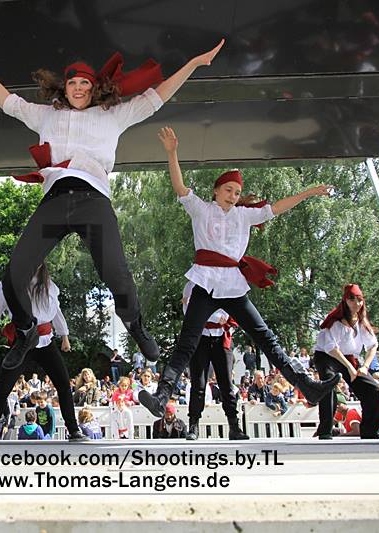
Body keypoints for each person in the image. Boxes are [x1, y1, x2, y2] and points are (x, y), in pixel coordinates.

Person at [0, 39, 227, 372]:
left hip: (92, 200)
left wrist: (193, 64)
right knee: (13, 277)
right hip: (55, 200)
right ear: (64, 88)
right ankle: (25, 331)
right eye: (72, 83)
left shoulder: (112, 116)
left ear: (94, 89)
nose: (78, 88)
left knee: (116, 274)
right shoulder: (46, 116)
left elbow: (157, 97)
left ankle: (135, 324)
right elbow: (8, 102)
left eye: (84, 83)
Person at [140, 127, 338, 418]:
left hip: (233, 286)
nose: (233, 196)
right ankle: (162, 396)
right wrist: (172, 153)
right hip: (205, 282)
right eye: (228, 190)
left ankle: (306, 385)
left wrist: (309, 192)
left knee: (265, 337)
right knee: (187, 342)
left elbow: (277, 207)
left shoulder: (245, 215)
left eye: (237, 192)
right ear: (216, 190)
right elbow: (180, 187)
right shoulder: (201, 210)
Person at [0, 263, 87, 443]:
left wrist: (64, 335)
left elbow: (56, 311)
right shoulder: (10, 284)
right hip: (23, 341)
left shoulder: (49, 284)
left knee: (63, 384)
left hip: (46, 341)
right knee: (3, 387)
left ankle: (74, 430)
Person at [313, 284, 379, 440]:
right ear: (345, 301)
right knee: (329, 385)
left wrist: (365, 366)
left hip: (350, 358)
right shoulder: (335, 322)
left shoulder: (362, 323)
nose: (356, 303)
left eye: (359, 300)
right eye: (352, 299)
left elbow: (372, 346)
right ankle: (325, 430)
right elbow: (331, 348)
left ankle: (370, 430)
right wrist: (350, 368)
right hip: (327, 356)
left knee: (372, 389)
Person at [181, 281, 248, 441]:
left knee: (227, 384)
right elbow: (189, 311)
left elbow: (233, 311)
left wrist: (223, 321)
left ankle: (234, 426)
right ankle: (193, 425)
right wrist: (215, 317)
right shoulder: (192, 285)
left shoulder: (227, 283)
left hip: (221, 338)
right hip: (200, 337)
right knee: (198, 384)